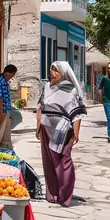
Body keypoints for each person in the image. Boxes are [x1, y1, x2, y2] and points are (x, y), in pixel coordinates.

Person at [36, 61, 86, 207]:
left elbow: (76, 112)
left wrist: (76, 133)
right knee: (49, 162)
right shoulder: (46, 87)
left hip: (64, 131)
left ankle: (65, 196)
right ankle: (52, 194)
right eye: (51, 69)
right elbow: (40, 107)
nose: (51, 72)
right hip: (47, 129)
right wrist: (38, 127)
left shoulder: (70, 90)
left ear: (63, 73)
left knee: (64, 161)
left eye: (55, 70)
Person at [0, 64, 17, 149]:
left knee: (5, 134)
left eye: (11, 76)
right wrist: (1, 115)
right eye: (10, 75)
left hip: (5, 111)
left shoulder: (3, 82)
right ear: (7, 73)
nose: (10, 77)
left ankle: (6, 149)